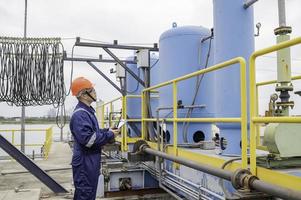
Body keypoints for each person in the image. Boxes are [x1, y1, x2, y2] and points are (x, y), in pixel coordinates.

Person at [69, 77, 119, 200]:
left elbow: (93, 133)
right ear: (83, 95)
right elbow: (89, 140)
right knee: (85, 194)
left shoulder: (87, 112)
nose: (95, 92)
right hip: (85, 163)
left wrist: (108, 131)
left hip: (89, 161)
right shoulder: (80, 114)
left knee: (87, 194)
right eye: (92, 90)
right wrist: (110, 135)